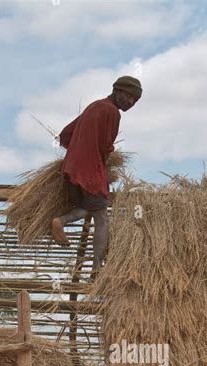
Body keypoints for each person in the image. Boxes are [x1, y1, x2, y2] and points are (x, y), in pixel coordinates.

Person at [51, 76, 142, 278]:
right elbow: (105, 146)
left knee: (90, 207)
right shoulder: (111, 112)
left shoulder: (94, 106)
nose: (131, 103)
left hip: (72, 167)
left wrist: (78, 150)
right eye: (129, 97)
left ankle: (61, 221)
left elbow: (65, 135)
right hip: (91, 171)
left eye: (135, 101)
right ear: (118, 91)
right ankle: (97, 268)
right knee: (102, 219)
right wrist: (102, 157)